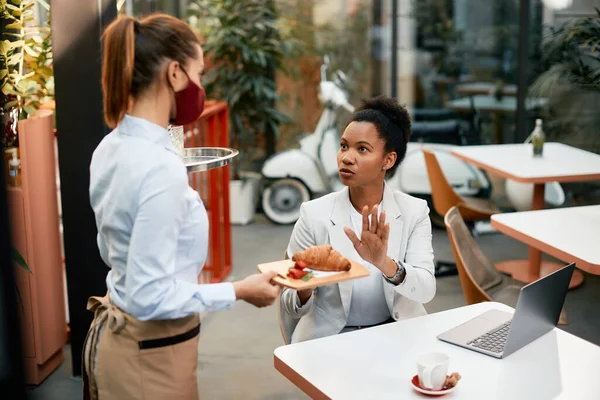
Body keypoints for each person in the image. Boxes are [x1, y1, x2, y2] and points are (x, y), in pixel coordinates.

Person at [83, 14, 280, 400]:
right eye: (199, 73)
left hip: (121, 341)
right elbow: (149, 297)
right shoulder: (160, 168)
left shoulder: (109, 148)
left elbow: (115, 254)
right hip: (151, 356)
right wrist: (238, 291)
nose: (201, 86)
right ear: (175, 74)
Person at [280, 96, 436, 344]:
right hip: (331, 338)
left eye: (362, 149)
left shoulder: (414, 212)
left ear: (388, 160)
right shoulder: (314, 214)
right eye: (344, 146)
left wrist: (384, 263)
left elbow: (426, 290)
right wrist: (306, 283)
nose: (346, 158)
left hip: (396, 335)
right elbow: (288, 304)